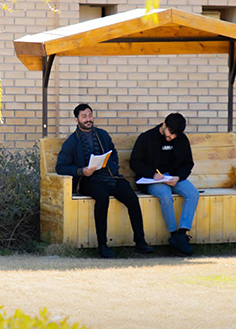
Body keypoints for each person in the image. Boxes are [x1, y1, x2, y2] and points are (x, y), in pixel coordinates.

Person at [55, 104, 153, 259]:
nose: (88, 119)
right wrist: (81, 171)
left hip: (109, 177)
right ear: (76, 119)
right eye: (84, 116)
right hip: (87, 180)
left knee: (131, 197)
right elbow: (60, 167)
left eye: (90, 115)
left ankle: (140, 242)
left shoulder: (102, 135)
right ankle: (102, 245)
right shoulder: (71, 142)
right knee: (102, 198)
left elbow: (113, 154)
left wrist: (111, 166)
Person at [130, 113, 197, 255]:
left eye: (175, 135)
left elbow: (188, 163)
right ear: (164, 125)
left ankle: (182, 234)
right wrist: (152, 174)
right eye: (170, 133)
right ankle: (173, 234)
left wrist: (178, 177)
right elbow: (135, 162)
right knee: (165, 195)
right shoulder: (146, 138)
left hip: (173, 177)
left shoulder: (181, 139)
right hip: (151, 179)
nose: (172, 137)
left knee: (193, 194)